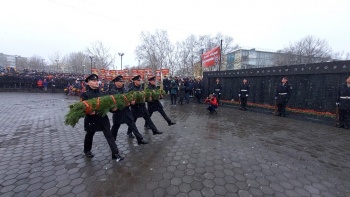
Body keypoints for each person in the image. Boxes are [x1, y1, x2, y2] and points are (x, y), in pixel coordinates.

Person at [80, 74, 124, 161]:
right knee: (90, 135)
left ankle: (115, 153)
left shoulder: (102, 93)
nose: (96, 82)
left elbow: (108, 106)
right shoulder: (85, 95)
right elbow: (82, 108)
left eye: (97, 80)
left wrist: (113, 109)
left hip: (103, 118)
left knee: (109, 135)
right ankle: (87, 150)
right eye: (93, 81)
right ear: (88, 83)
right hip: (91, 119)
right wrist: (88, 111)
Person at [109, 75, 148, 145]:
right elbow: (112, 104)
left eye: (122, 81)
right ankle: (112, 142)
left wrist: (131, 102)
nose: (122, 83)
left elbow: (129, 98)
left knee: (133, 125)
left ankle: (140, 139)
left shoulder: (125, 90)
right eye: (120, 81)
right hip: (118, 113)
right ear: (115, 82)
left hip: (126, 112)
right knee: (115, 128)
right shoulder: (112, 92)